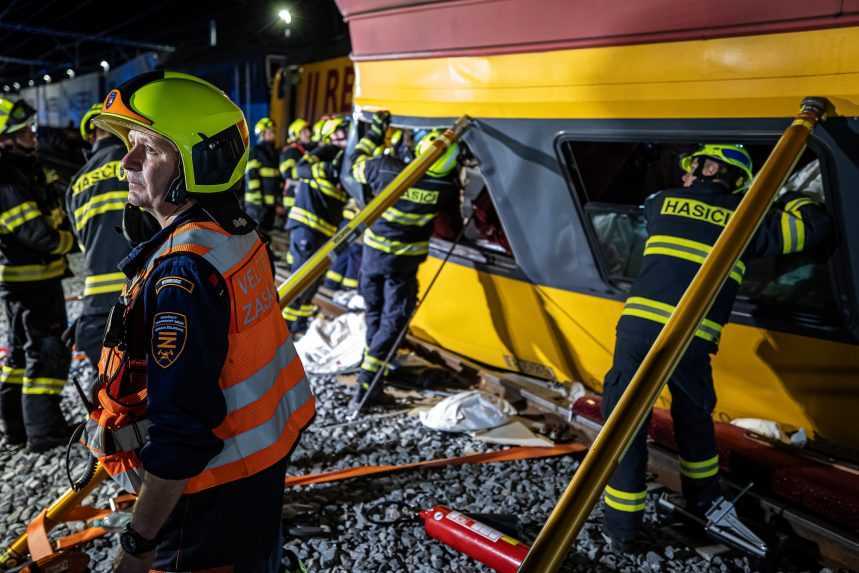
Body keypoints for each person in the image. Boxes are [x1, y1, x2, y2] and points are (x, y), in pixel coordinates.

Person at [86, 71, 314, 572]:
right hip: (258, 469)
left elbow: (182, 433)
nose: (126, 161)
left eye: (147, 149)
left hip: (207, 494)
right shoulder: (234, 233)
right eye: (128, 144)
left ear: (198, 161)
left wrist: (138, 546)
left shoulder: (181, 273)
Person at [601, 144, 831, 551]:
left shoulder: (662, 203)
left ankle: (621, 531)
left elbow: (656, 212)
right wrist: (779, 192)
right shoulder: (749, 220)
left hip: (638, 333)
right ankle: (704, 504)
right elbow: (813, 226)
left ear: (700, 171)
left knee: (624, 426)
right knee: (694, 422)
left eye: (691, 169)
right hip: (691, 341)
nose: (686, 175)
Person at [348, 112, 460, 409]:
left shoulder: (383, 169)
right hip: (402, 269)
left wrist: (376, 130)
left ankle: (371, 381)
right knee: (393, 322)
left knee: (375, 316)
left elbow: (354, 163)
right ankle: (368, 381)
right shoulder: (445, 189)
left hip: (372, 261)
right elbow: (453, 227)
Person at [0, 97, 74, 452]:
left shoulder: (20, 171)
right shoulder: (8, 180)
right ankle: (45, 432)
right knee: (47, 354)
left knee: (19, 356)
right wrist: (68, 241)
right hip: (34, 283)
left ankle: (17, 429)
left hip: (24, 282)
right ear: (5, 140)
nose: (32, 134)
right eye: (23, 131)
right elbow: (35, 233)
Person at [65, 103, 156, 372]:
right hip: (143, 293)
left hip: (96, 308)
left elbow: (83, 243)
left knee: (117, 395)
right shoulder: (139, 161)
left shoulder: (76, 184)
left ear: (91, 135)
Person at [282, 116, 349, 334]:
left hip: (326, 232)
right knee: (300, 279)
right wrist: (328, 172)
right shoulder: (324, 152)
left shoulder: (347, 159)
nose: (345, 136)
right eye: (341, 132)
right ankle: (281, 328)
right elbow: (299, 170)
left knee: (314, 281)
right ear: (330, 135)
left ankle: (298, 323)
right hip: (307, 227)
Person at [244, 117, 283, 232]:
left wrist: (277, 202)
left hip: (270, 205)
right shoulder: (255, 152)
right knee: (255, 236)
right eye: (270, 131)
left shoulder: (275, 153)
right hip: (256, 205)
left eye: (274, 131)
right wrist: (258, 203)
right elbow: (252, 178)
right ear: (262, 133)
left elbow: (276, 180)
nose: (273, 134)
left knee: (266, 237)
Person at [279, 117, 314, 222]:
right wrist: (308, 173)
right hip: (293, 199)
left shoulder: (304, 150)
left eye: (308, 130)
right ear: (296, 135)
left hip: (301, 197)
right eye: (304, 131)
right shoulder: (291, 151)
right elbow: (287, 174)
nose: (308, 133)